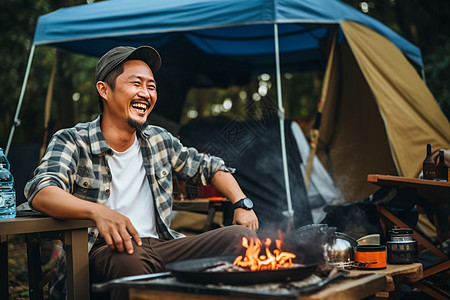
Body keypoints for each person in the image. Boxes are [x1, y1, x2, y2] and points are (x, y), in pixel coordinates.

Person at [25, 46, 259, 299]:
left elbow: (210, 166)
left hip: (163, 245)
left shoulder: (159, 139)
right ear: (104, 90)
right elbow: (42, 190)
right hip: (105, 250)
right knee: (130, 262)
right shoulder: (73, 140)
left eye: (151, 86)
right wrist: (99, 213)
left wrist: (241, 202)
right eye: (136, 83)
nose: (145, 93)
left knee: (242, 238)